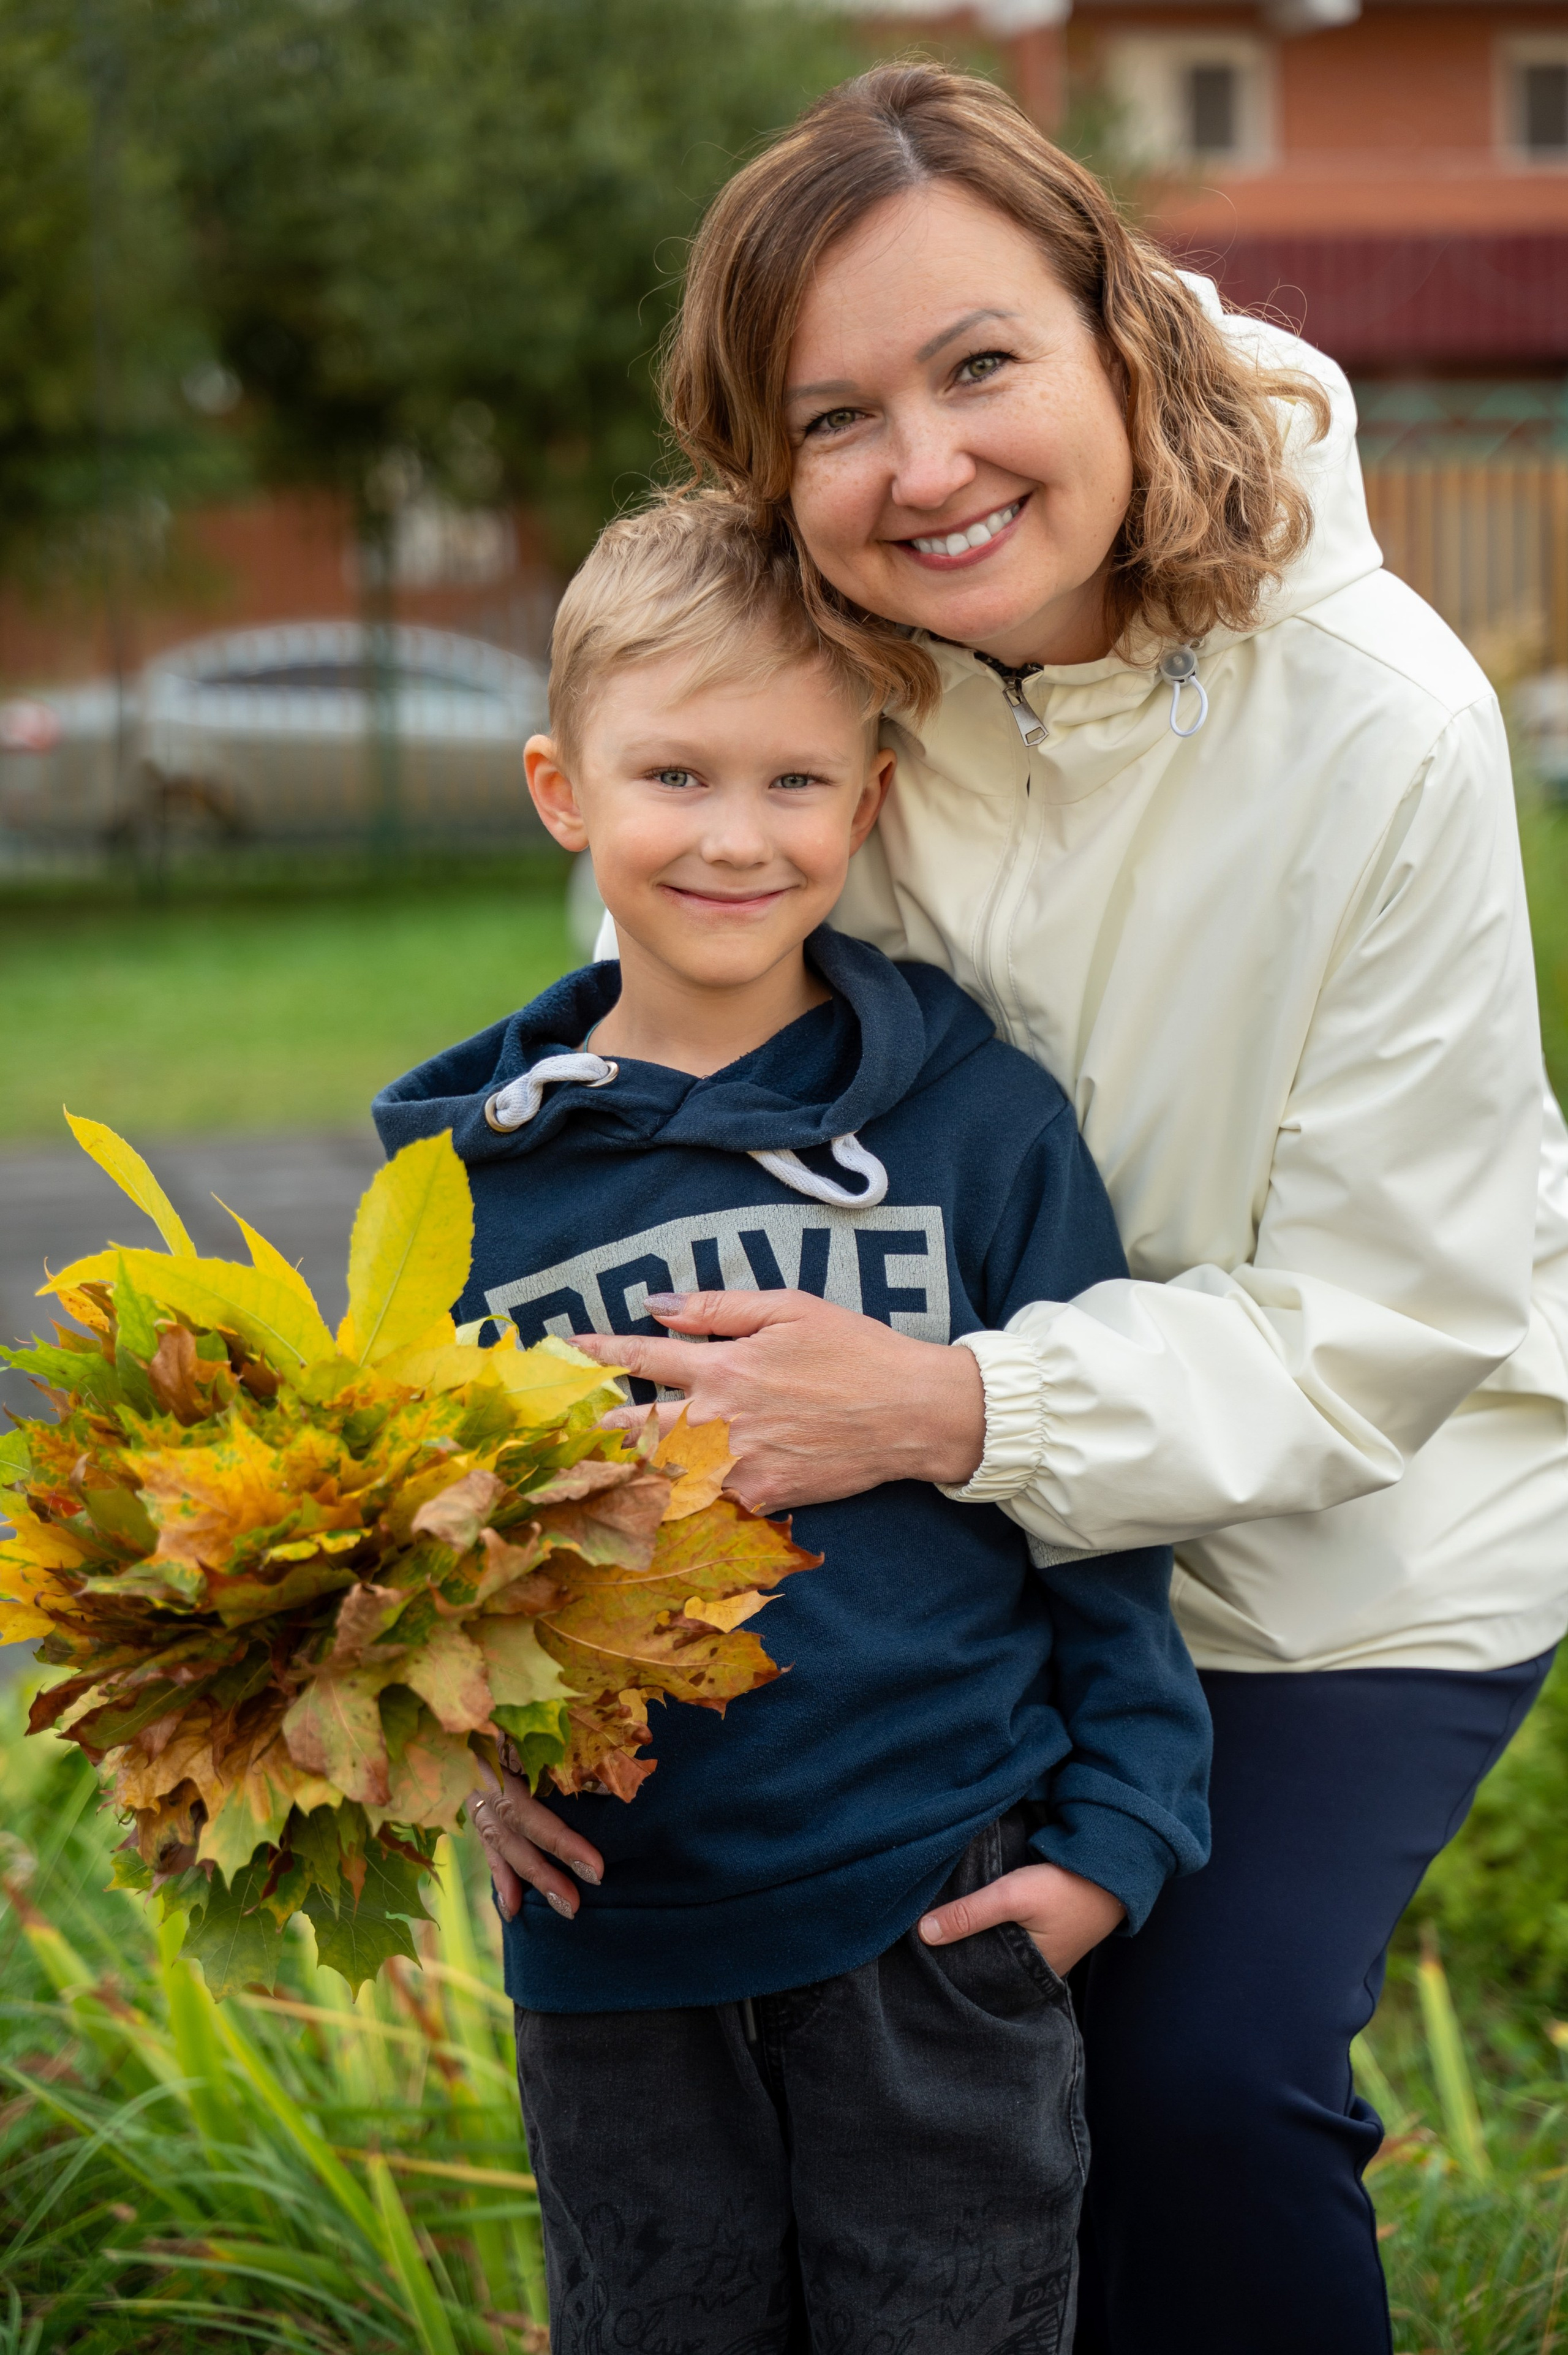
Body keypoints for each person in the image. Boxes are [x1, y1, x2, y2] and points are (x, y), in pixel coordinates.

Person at [560, 63, 1568, 2355]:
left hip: (1354, 1534)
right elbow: (638, 1116)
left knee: (1190, 2080)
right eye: (833, 417)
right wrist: (505, 1638)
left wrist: (945, 1404)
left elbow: (1383, 1323)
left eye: (980, 364)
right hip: (939, 1514)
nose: (923, 467)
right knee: (873, 2080)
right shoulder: (826, 688)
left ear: (1120, 330)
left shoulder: (1378, 719)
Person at [373, 494, 1210, 2355]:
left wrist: (1113, 1840)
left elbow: (1097, 1495)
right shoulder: (459, 1195)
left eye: (794, 782)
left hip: (938, 1919)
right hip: (618, 1958)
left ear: (872, 802)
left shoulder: (985, 1127)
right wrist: (456, 1759)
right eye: (674, 774)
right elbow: (415, 1561)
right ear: (562, 790)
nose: (736, 836)